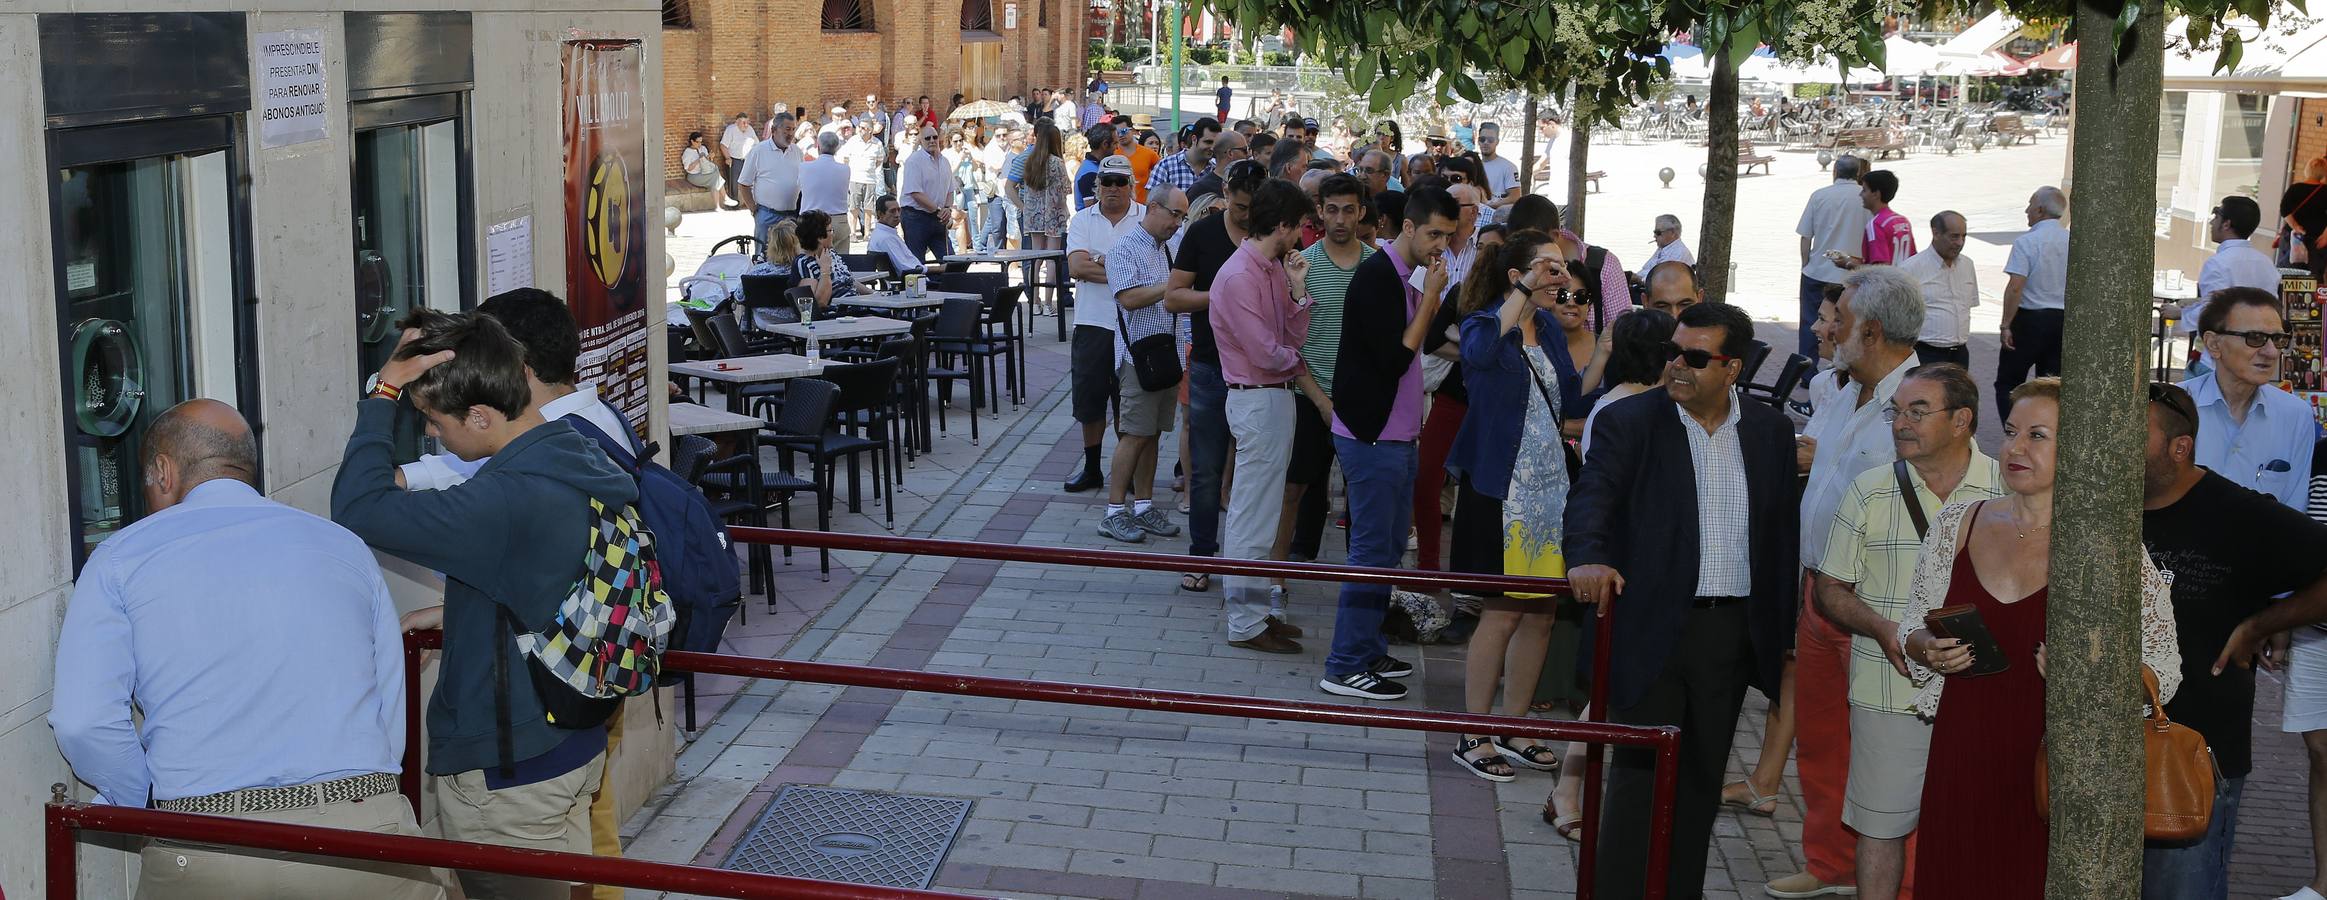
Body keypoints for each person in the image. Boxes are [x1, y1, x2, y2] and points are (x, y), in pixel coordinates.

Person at [51, 399, 447, 900]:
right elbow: (389, 709)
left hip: (208, 844)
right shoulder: (341, 545)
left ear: (163, 471)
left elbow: (82, 721)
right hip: (367, 835)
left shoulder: (121, 557)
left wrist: (144, 799)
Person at [333, 313, 638, 900]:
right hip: (573, 743)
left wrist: (383, 392)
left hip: (511, 774)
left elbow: (359, 504)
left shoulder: (501, 498)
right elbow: (556, 568)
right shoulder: (572, 449)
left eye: (433, 421)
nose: (431, 437)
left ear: (479, 416)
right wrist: (467, 610)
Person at [1898, 377, 2182, 900]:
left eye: (2037, 435)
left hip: (2052, 760)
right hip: (1963, 746)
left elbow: (2161, 669)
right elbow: (1913, 623)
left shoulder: (2108, 549)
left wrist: (2094, 677)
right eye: (2010, 432)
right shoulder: (1959, 522)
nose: (2015, 447)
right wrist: (1926, 647)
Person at [1567, 301, 1799, 900]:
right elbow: (1592, 496)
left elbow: (1779, 535)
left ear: (1732, 368)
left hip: (1728, 635)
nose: (1676, 365)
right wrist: (1588, 555)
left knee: (1698, 785)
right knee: (1637, 787)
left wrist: (1781, 628)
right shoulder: (1631, 421)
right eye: (1673, 351)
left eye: (1695, 357)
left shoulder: (1770, 431)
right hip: (1651, 628)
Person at [1762, 264, 1924, 900]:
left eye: (1843, 320)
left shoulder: (1920, 402)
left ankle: (1896, 880)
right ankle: (1830, 864)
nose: (1827, 330)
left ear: (1873, 331)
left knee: (1886, 751)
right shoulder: (1841, 389)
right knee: (1824, 740)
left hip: (1880, 602)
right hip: (1819, 592)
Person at [1812, 363, 2003, 900]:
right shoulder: (1869, 489)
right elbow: (1830, 589)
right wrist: (1884, 629)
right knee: (1879, 827)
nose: (1900, 423)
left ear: (1962, 420)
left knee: (1977, 827)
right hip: (1886, 689)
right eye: (1897, 411)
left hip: (1984, 692)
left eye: (1918, 411)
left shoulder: (2005, 489)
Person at [2140, 381, 2327, 899]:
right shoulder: (2093, 511)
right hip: (2103, 750)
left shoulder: (2237, 514)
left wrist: (2261, 624)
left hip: (2196, 756)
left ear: (2179, 449)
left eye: (2138, 433)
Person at [1443, 230, 1585, 779]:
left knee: (1541, 615)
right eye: (1546, 268)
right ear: (1516, 276)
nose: (1559, 277)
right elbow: (1476, 355)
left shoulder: (1550, 326)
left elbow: (1570, 400)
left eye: (1561, 267)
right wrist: (1525, 292)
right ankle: (1473, 731)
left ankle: (1515, 725)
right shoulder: (1484, 324)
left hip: (1551, 490)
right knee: (1500, 615)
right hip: (1500, 491)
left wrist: (1610, 351)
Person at [1313, 186, 1454, 699]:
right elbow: (1397, 358)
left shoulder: (1407, 276)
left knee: (1391, 546)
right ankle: (1344, 663)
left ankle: (1367, 647)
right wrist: (1433, 295)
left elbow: (1430, 340)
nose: (1441, 246)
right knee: (1371, 551)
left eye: (1449, 236)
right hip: (1371, 436)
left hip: (1397, 435)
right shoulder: (1378, 275)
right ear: (1409, 228)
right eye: (1434, 234)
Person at [1210, 178, 1322, 654]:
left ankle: (1253, 613)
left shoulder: (1271, 268)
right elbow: (1268, 352)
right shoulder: (1239, 276)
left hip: (1271, 396)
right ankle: (1245, 621)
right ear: (1281, 224)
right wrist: (1298, 362)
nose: (1301, 236)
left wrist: (1297, 291)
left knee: (1262, 509)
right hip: (1258, 396)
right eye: (1298, 226)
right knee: (1252, 513)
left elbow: (1290, 338)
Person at [1166, 160, 1267, 594]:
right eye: (1240, 206)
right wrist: (1222, 295)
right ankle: (1202, 555)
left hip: (1260, 371)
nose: (1246, 216)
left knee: (1254, 471)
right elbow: (1173, 297)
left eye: (1253, 207)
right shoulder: (1203, 234)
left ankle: (1249, 562)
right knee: (1206, 471)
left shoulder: (1271, 236)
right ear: (1226, 194)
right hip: (1210, 365)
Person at [1277, 174, 1374, 582]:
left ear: (1361, 213)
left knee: (1364, 498)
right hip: (1308, 395)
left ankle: (1362, 586)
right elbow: (1290, 346)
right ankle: (1275, 582)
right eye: (1331, 209)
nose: (1339, 219)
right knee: (1293, 489)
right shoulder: (1302, 266)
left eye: (1348, 210)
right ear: (1319, 211)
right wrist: (1319, 400)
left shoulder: (1379, 267)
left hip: (1362, 402)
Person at [1098, 184, 1190, 541]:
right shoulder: (1124, 247)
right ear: (1153, 208)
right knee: (1133, 435)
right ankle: (1113, 511)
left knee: (1152, 435)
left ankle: (1144, 506)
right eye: (1174, 215)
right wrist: (1171, 285)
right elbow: (1129, 298)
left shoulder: (1171, 245)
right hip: (1137, 356)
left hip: (1168, 352)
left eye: (1182, 217)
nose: (1177, 224)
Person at [2186, 286, 2316, 509]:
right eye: (2255, 338)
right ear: (2214, 344)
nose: (2272, 352)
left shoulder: (2295, 414)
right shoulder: (2177, 406)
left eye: (2277, 339)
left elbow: (2295, 512)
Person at [1067, 155, 1149, 497]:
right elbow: (1077, 268)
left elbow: (1154, 272)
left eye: (1120, 182)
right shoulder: (1083, 219)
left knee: (1127, 402)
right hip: (1092, 322)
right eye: (1106, 182)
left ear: (1132, 185)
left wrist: (1101, 261)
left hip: (1136, 325)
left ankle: (1125, 470)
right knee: (1090, 400)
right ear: (1096, 185)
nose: (1113, 189)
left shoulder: (1146, 218)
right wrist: (1125, 274)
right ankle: (1091, 468)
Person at [1995, 186, 2070, 420]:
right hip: (2062, 319)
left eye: (2030, 205)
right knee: (2051, 386)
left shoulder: (2027, 242)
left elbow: (2016, 286)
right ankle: (2046, 431)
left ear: (2039, 210)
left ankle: (2012, 427)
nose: (2027, 210)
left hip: (2030, 319)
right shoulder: (2073, 241)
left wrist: (2006, 324)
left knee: (2009, 381)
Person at [2289, 436, 2327, 900]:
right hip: (2315, 626)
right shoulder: (2321, 451)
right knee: (2320, 751)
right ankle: (2323, 883)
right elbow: (2307, 530)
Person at [1795, 154, 1869, 358]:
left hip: (1818, 270)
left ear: (1835, 171)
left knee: (1811, 322)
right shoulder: (1865, 198)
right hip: (1851, 274)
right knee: (1848, 324)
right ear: (1858, 173)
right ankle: (1842, 366)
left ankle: (1807, 371)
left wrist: (1806, 264)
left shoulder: (1819, 195)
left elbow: (1805, 237)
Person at [2188, 196, 2283, 340]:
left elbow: (2212, 311)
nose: (2211, 222)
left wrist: (2180, 314)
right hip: (2258, 343)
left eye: (2216, 216)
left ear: (2226, 224)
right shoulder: (2267, 263)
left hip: (2225, 349)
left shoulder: (2217, 263)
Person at [1897, 210, 1977, 368]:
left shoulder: (1967, 265)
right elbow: (1899, 318)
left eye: (1964, 236)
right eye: (1954, 236)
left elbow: (1969, 305)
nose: (1960, 242)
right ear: (1936, 233)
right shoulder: (1911, 269)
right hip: (1926, 354)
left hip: (1960, 354)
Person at [1011, 121, 1072, 310]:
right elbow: (1066, 189)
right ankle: (1047, 302)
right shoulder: (1057, 162)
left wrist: (1024, 207)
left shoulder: (1029, 160)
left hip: (1033, 214)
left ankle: (1034, 301)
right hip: (1054, 213)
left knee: (1036, 258)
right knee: (1052, 258)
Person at [737, 112, 804, 250]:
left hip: (792, 216)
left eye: (793, 129)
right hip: (767, 215)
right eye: (787, 129)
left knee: (791, 256)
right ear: (774, 130)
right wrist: (754, 210)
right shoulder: (759, 151)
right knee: (763, 255)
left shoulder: (797, 151)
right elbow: (744, 183)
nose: (791, 133)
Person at [897, 123, 957, 263]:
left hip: (938, 217)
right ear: (920, 141)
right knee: (917, 264)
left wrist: (947, 208)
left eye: (934, 137)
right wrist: (938, 210)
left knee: (951, 261)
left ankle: (942, 284)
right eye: (927, 138)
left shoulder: (945, 161)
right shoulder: (914, 161)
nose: (931, 141)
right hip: (915, 217)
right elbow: (915, 193)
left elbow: (950, 189)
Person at [1840, 170, 1915, 268]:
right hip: (1903, 280)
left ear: (1876, 194)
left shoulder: (1876, 224)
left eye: (1864, 190)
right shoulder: (1903, 221)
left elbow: (1879, 269)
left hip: (1885, 282)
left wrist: (1847, 264)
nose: (1861, 195)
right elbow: (1913, 257)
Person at [792, 210, 858, 315]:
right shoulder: (804, 262)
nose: (833, 234)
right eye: (830, 230)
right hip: (839, 315)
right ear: (819, 237)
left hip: (857, 306)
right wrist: (825, 270)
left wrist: (875, 294)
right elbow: (820, 303)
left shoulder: (830, 253)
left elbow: (849, 282)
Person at [800, 131, 853, 253]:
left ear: (818, 146)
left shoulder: (804, 167)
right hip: (838, 219)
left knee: (809, 259)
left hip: (810, 220)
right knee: (841, 261)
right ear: (836, 148)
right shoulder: (845, 169)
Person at [1149, 117, 1222, 196]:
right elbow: (1152, 201)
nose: (1212, 147)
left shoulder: (1217, 169)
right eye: (1208, 142)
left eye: (1216, 143)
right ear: (1194, 139)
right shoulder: (1166, 165)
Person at [841, 120, 888, 241]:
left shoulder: (877, 143)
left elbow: (879, 161)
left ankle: (867, 233)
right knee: (853, 207)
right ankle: (853, 233)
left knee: (869, 208)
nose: (860, 130)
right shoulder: (853, 141)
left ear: (870, 130)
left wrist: (869, 170)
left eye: (863, 128)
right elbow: (845, 158)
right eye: (859, 127)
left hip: (870, 179)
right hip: (855, 178)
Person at [2280, 157, 2327, 273]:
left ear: (2307, 170)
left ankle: (2287, 291)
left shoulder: (2295, 188)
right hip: (2317, 239)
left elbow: (2284, 210)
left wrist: (2295, 226)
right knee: (2313, 274)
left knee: (2289, 271)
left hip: (2294, 238)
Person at [864, 195, 925, 275]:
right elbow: (906, 268)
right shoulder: (886, 238)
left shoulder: (882, 234)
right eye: (892, 211)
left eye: (898, 210)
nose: (897, 215)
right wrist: (938, 269)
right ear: (880, 214)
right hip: (914, 281)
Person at [1073, 123, 1119, 210]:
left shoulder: (1096, 167)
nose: (1117, 147)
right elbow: (1093, 210)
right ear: (1105, 144)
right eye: (1115, 143)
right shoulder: (1090, 173)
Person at [720, 112, 757, 210]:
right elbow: (723, 145)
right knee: (734, 183)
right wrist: (727, 158)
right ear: (737, 122)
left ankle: (750, 203)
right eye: (743, 122)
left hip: (748, 160)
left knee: (749, 182)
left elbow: (756, 144)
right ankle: (734, 204)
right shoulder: (731, 130)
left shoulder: (750, 130)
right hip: (735, 160)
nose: (746, 125)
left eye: (747, 122)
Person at [682, 130, 723, 194]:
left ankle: (721, 201)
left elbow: (708, 162)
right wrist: (699, 160)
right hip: (694, 175)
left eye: (701, 142)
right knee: (717, 179)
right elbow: (688, 168)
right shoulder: (687, 152)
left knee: (716, 175)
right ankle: (725, 198)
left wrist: (710, 157)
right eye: (697, 142)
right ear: (692, 141)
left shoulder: (703, 148)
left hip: (705, 172)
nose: (699, 144)